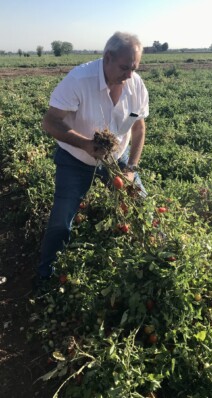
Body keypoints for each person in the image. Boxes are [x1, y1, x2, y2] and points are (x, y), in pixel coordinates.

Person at [33, 31, 149, 290]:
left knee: (142, 205)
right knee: (61, 220)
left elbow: (139, 130)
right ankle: (45, 275)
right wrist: (86, 144)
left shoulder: (135, 84)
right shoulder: (79, 79)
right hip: (75, 159)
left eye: (135, 68)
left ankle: (154, 262)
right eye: (125, 67)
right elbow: (50, 122)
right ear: (107, 57)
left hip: (116, 160)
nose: (130, 75)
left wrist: (131, 168)